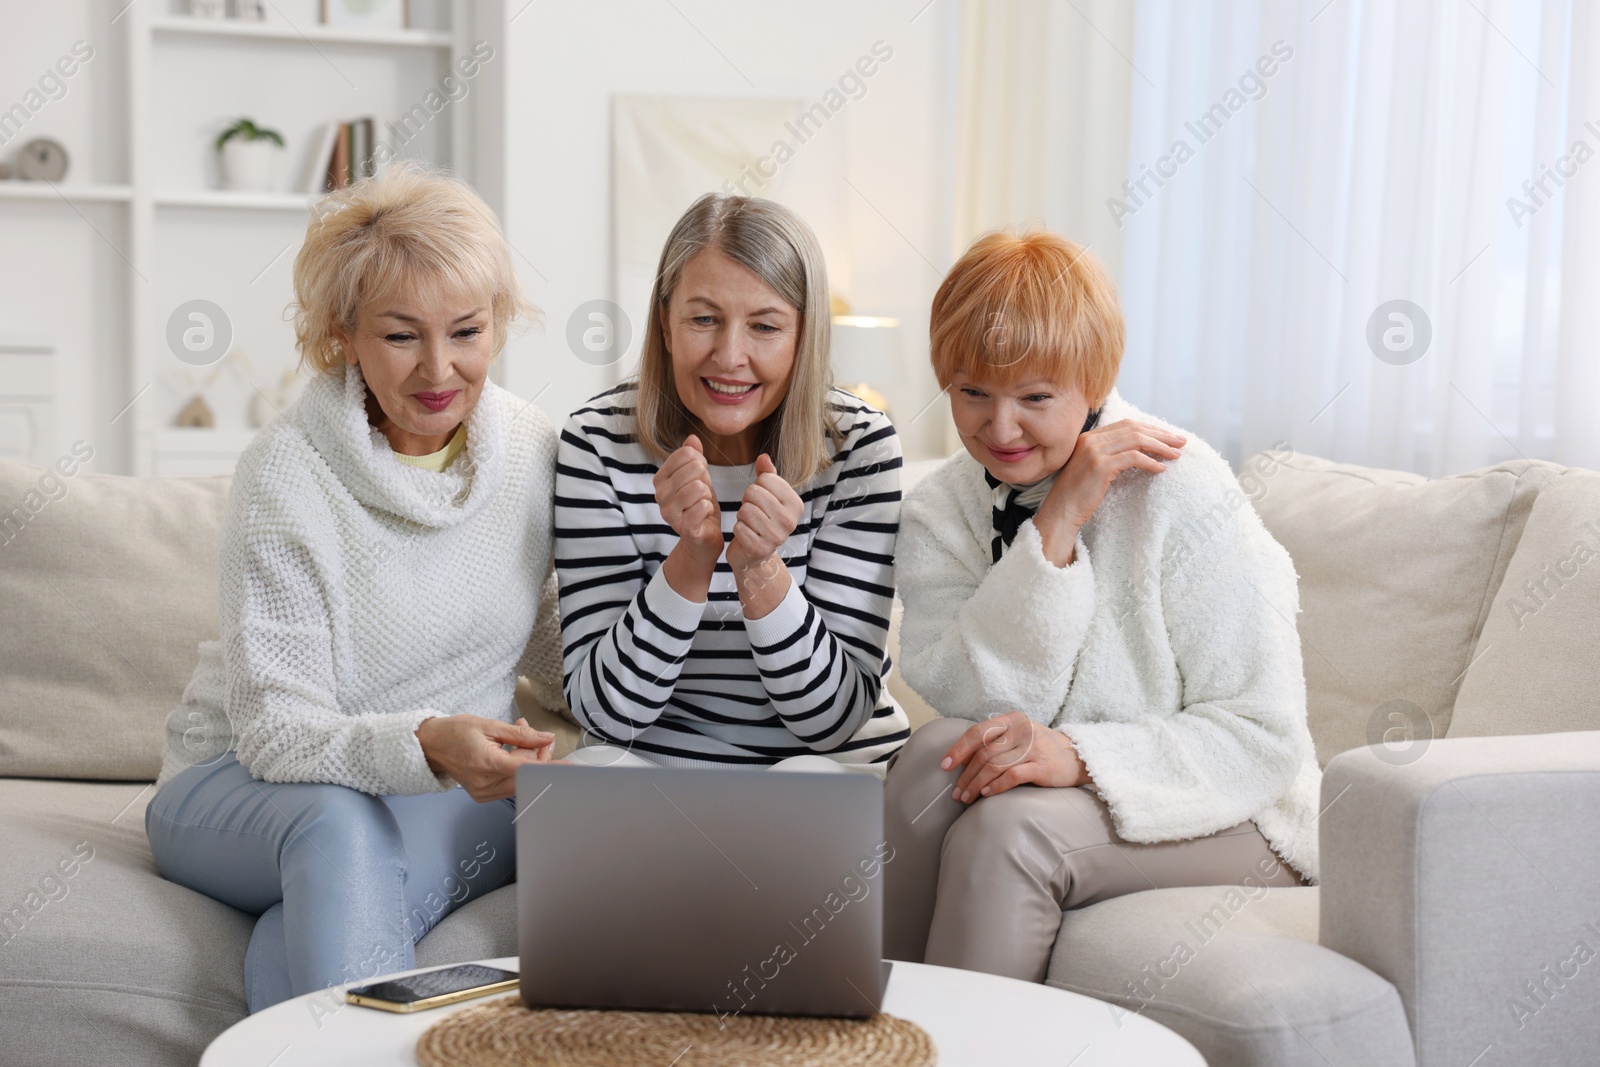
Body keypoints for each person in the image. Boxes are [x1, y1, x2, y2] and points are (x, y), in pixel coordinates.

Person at [146, 165, 564, 1011]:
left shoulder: (535, 452)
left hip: (437, 791)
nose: (438, 369)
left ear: (500, 325)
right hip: (243, 781)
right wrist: (429, 739)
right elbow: (275, 734)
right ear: (344, 335)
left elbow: (565, 652)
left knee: (295, 940)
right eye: (401, 335)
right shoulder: (286, 473)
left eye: (467, 331)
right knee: (338, 825)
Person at [883, 230, 1320, 982]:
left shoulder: (1184, 488)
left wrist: (1082, 756)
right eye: (972, 391)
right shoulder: (939, 513)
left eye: (1036, 397)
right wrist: (1055, 527)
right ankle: (879, 1041)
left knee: (1010, 831)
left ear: (1095, 380)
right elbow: (982, 707)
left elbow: (1263, 734)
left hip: (1240, 806)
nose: (1001, 427)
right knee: (928, 764)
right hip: (1068, 796)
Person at [555, 193, 909, 770]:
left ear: (803, 338)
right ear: (665, 324)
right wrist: (692, 560)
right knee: (592, 768)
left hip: (822, 769)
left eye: (765, 326)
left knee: (808, 774)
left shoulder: (860, 446)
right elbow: (604, 713)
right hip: (660, 774)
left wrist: (759, 570)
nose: (729, 356)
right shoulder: (596, 443)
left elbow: (832, 722)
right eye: (703, 319)